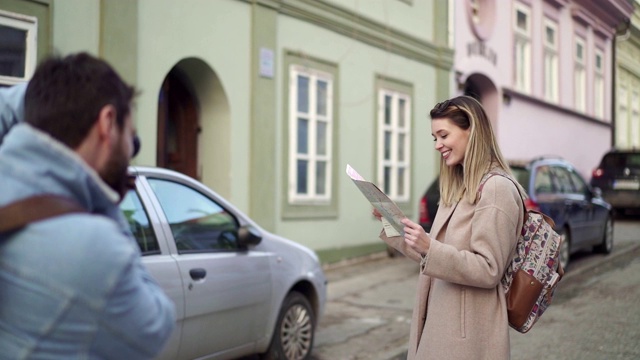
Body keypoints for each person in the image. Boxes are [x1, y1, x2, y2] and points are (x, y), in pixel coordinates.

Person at [0, 53, 175, 359]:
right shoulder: (97, 248)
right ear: (108, 123)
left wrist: (51, 96)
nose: (130, 151)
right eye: (129, 135)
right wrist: (104, 192)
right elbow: (158, 325)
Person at [375, 95, 525, 359]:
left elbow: (488, 268)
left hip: (468, 337)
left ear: (472, 131)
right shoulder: (457, 188)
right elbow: (433, 256)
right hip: (441, 321)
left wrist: (430, 247)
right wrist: (393, 223)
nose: (438, 145)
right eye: (435, 138)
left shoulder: (496, 189)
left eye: (443, 135)